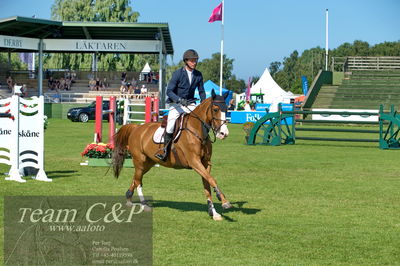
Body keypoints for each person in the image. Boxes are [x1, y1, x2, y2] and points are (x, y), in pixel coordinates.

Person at [155, 49, 206, 161]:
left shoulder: (198, 75)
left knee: (201, 121)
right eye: (192, 60)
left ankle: (204, 146)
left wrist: (203, 104)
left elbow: (201, 91)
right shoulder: (178, 73)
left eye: (195, 60)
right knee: (171, 124)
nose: (194, 62)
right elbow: (169, 91)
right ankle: (165, 150)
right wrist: (179, 100)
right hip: (177, 104)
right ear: (186, 61)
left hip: (191, 104)